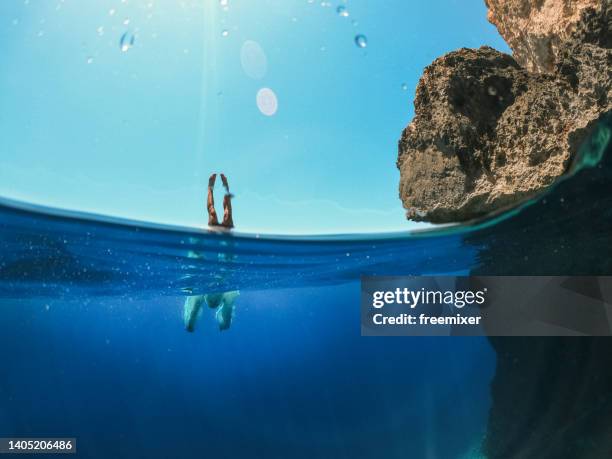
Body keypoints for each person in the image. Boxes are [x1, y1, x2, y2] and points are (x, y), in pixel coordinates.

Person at [183, 173, 240, 333]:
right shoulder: (226, 293)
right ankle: (218, 188)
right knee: (222, 213)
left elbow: (193, 313)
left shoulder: (208, 292)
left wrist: (190, 325)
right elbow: (226, 318)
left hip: (210, 280)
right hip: (220, 271)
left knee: (214, 213)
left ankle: (211, 188)